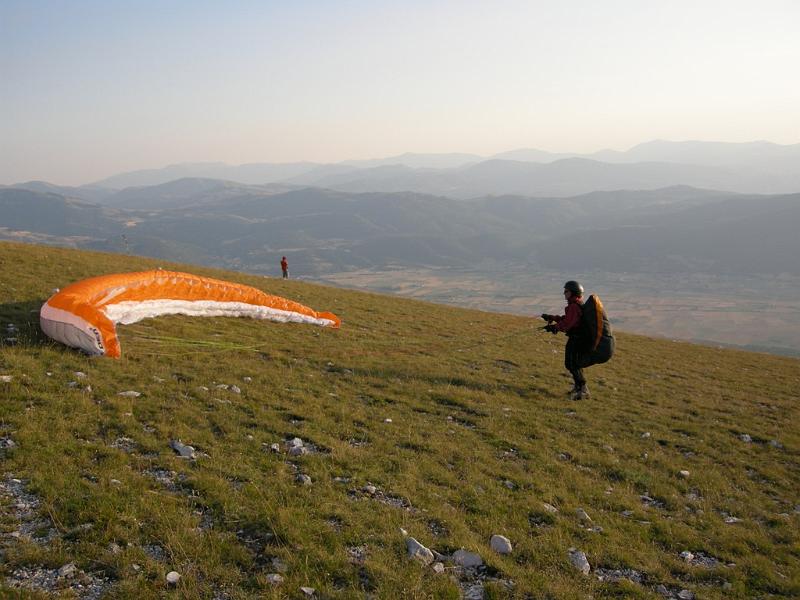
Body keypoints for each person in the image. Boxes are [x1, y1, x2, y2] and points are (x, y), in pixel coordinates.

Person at [541, 280, 593, 400]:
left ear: (573, 293)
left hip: (577, 340)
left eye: (566, 291)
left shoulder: (574, 307)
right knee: (573, 363)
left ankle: (583, 390)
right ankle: (579, 388)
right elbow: (567, 319)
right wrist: (552, 318)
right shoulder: (575, 305)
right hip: (578, 339)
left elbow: (568, 324)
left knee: (572, 364)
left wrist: (554, 328)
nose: (564, 293)